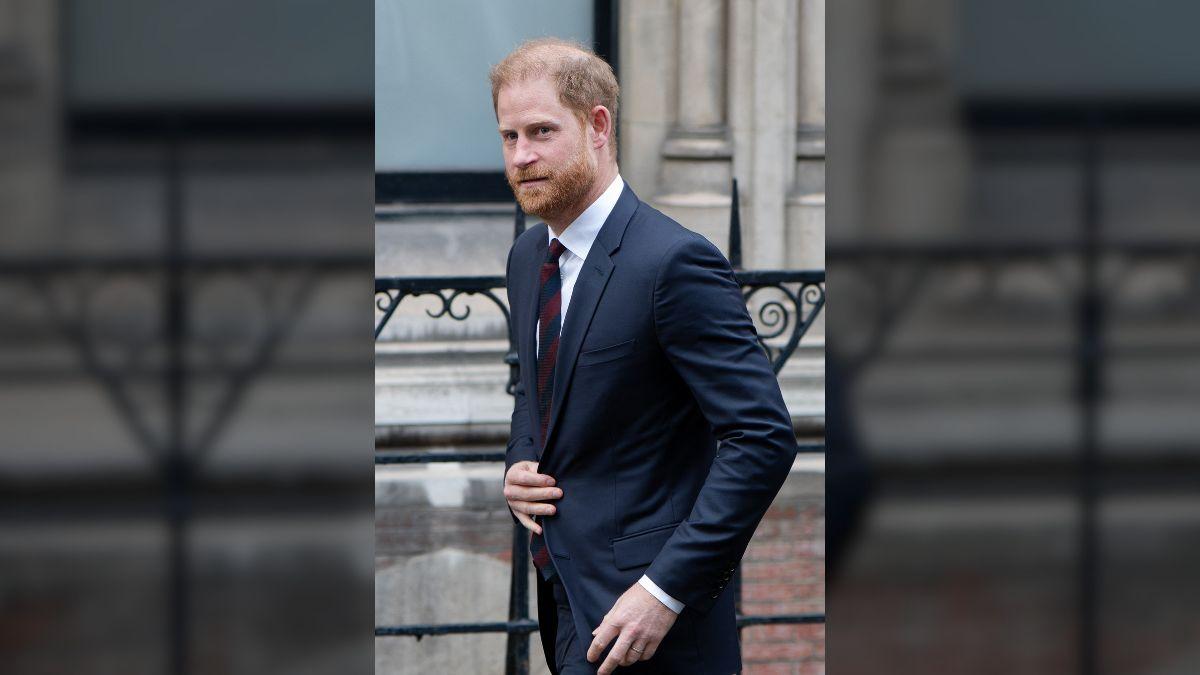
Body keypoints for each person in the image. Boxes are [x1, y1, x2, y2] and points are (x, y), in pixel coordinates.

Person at [494, 38, 797, 674]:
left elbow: (762, 438)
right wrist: (521, 461)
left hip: (659, 628)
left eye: (542, 131)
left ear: (597, 125)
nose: (522, 156)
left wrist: (664, 592)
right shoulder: (527, 259)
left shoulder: (673, 261)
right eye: (509, 136)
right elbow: (534, 390)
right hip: (567, 605)